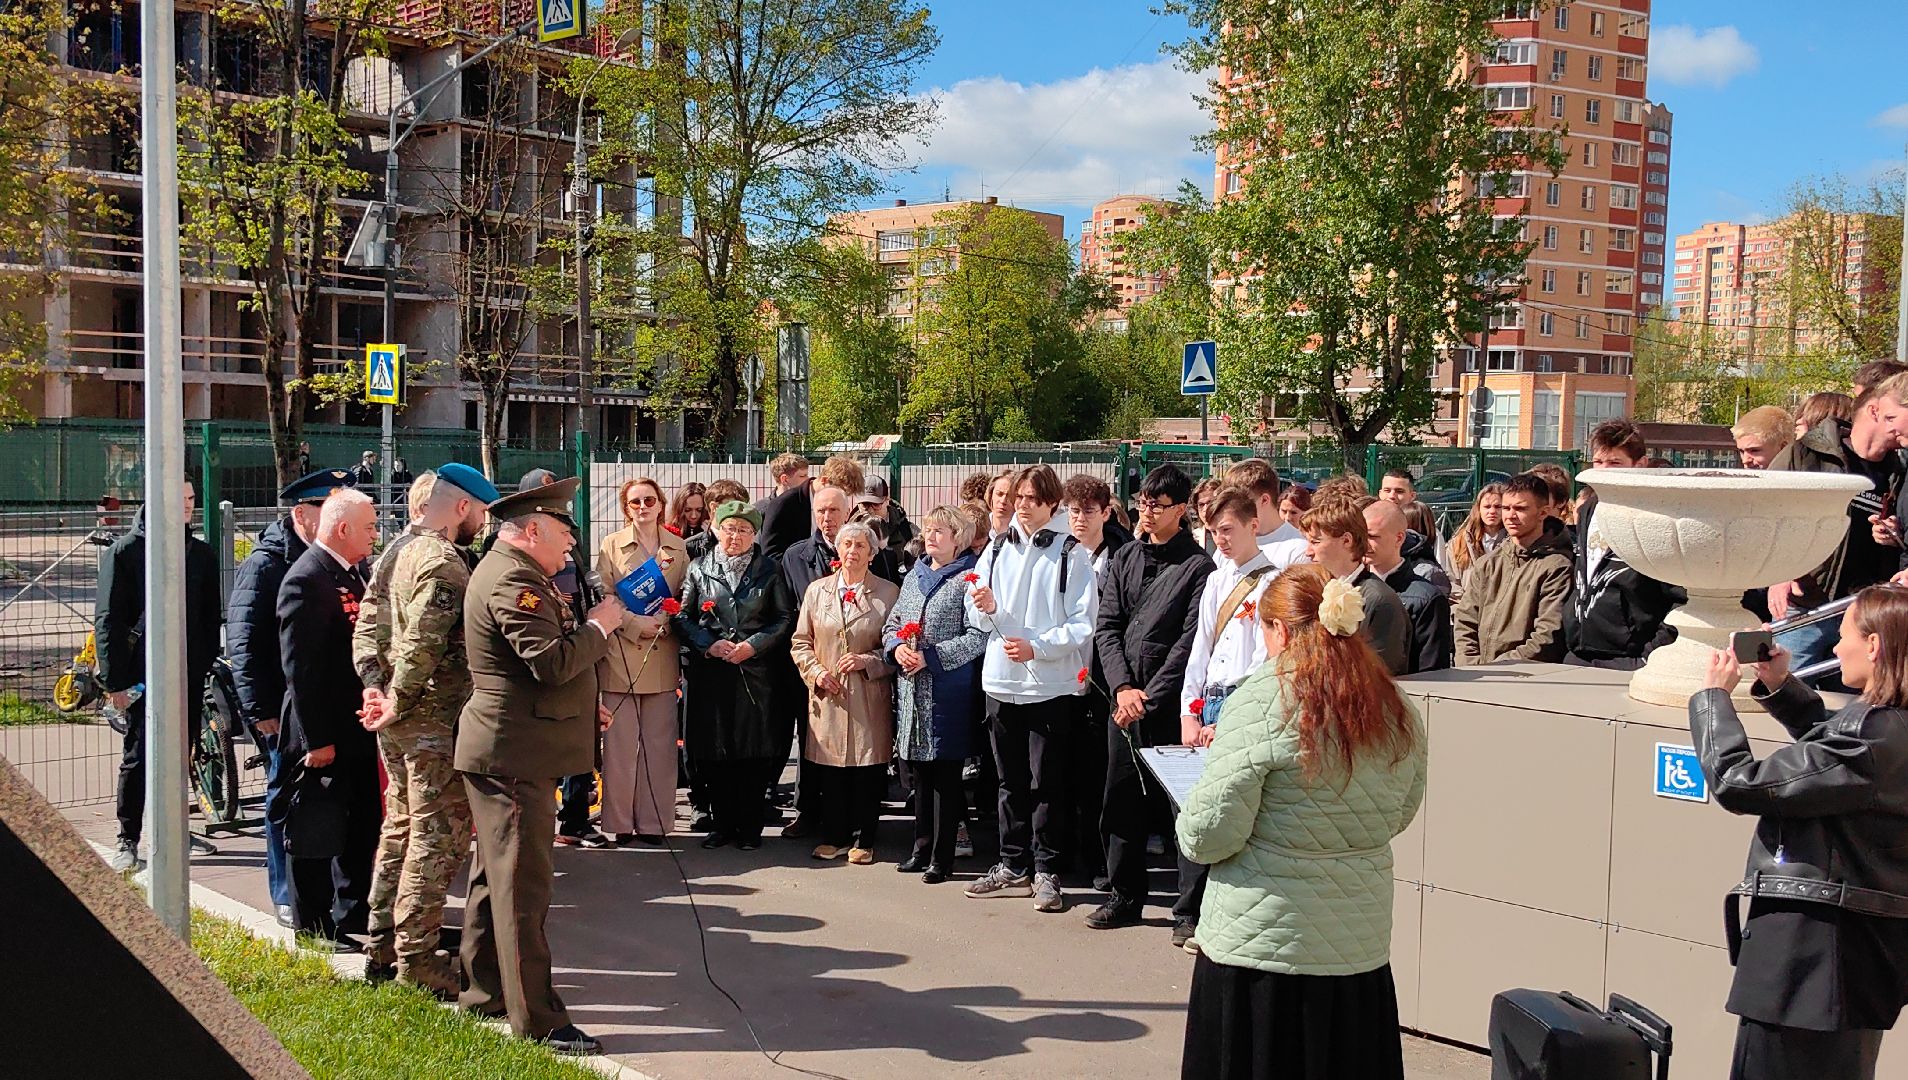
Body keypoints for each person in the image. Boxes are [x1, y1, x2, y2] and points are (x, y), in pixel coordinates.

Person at [1177, 564, 1427, 1080]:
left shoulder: (1264, 697)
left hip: (1262, 941)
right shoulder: (1393, 702)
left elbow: (1209, 831)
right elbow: (1403, 808)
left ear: (1281, 630)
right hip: (1356, 939)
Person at [1691, 586, 1908, 1080]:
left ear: (1874, 646)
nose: (1834, 647)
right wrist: (1781, 685)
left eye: (1844, 634)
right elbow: (1836, 755)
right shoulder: (1886, 732)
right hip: (1852, 961)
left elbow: (1736, 781)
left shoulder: (1871, 740)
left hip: (1812, 963)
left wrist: (1711, 699)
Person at [457, 476, 625, 1056]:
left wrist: (584, 713)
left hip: (515, 746)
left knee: (495, 877)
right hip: (512, 753)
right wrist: (602, 626)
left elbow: (541, 672)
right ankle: (539, 1020)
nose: (569, 549)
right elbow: (551, 663)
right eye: (562, 535)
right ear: (532, 531)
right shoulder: (512, 578)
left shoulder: (520, 572)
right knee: (523, 886)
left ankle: (484, 991)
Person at [357, 463, 497, 997]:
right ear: (462, 507)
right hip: (431, 720)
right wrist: (395, 696)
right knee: (435, 840)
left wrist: (374, 685)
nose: (481, 523)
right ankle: (417, 960)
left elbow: (368, 622)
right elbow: (422, 642)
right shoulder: (442, 561)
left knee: (400, 827)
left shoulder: (396, 549)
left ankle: (382, 944)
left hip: (396, 719)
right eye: (480, 512)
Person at [1086, 465, 1214, 945]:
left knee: (1181, 810)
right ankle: (1124, 894)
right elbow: (1108, 626)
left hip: (1169, 704)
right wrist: (1121, 688)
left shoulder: (1198, 567)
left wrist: (1149, 696)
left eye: (1159, 506)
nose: (1148, 513)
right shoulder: (1124, 557)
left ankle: (1188, 910)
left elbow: (1188, 643)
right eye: (1143, 502)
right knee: (1120, 801)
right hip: (1124, 703)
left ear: (1181, 510)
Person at [965, 464, 1097, 914]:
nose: (1021, 506)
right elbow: (976, 608)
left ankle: (1047, 871)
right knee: (1008, 782)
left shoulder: (1071, 553)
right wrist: (985, 608)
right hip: (1001, 681)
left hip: (1050, 686)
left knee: (1048, 784)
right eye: (1018, 498)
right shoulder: (998, 547)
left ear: (1052, 504)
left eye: (1031, 499)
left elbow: (1083, 624)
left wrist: (1038, 647)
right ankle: (1012, 865)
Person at [228, 469, 356, 922]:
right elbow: (243, 639)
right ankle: (286, 892)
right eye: (326, 507)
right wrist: (260, 709)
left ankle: (328, 895)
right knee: (287, 798)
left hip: (319, 707)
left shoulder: (334, 559)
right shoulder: (268, 562)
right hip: (283, 708)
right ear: (302, 512)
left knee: (322, 803)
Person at [95, 478, 223, 873]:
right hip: (139, 676)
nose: (188, 506)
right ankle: (128, 838)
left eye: (191, 499)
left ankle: (174, 830)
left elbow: (207, 617)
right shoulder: (126, 553)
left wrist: (201, 668)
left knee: (181, 752)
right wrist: (115, 683)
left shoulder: (200, 554)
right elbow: (108, 621)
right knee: (138, 752)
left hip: (186, 674)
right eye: (180, 499)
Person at [275, 488, 381, 946]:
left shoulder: (352, 574)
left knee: (361, 823)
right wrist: (317, 739)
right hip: (322, 731)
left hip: (355, 725)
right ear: (342, 530)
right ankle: (312, 923)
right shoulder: (307, 579)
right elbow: (301, 669)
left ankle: (352, 911)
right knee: (317, 826)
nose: (376, 535)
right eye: (370, 527)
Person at [674, 501, 795, 850]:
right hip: (712, 673)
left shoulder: (769, 570)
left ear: (754, 534)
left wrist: (754, 645)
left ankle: (749, 826)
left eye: (744, 530)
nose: (736, 536)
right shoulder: (699, 569)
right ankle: (721, 824)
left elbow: (784, 618)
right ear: (716, 529)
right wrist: (707, 644)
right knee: (716, 750)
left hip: (754, 673)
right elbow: (683, 617)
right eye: (729, 528)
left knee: (752, 751)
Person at [1766, 382, 1908, 672]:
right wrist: (1779, 574)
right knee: (1785, 686)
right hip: (1808, 601)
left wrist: (1893, 533)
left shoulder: (1899, 470)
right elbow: (1764, 512)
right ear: (1876, 411)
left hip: (1862, 609)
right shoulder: (1808, 453)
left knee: (1850, 701)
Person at [884, 506, 987, 883]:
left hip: (948, 692)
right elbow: (894, 622)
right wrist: (896, 648)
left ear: (958, 538)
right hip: (912, 689)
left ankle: (943, 859)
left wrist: (931, 658)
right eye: (928, 530)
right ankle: (920, 848)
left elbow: (977, 638)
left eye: (941, 530)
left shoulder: (970, 578)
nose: (932, 537)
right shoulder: (915, 575)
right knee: (920, 775)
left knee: (946, 776)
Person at [790, 521, 899, 863]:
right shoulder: (817, 591)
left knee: (867, 766)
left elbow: (895, 648)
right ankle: (834, 835)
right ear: (837, 549)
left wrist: (868, 660)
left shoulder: (887, 592)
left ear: (871, 553)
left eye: (860, 546)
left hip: (868, 694)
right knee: (832, 768)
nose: (853, 551)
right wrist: (817, 673)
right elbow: (800, 642)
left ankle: (864, 838)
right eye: (847, 544)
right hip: (829, 695)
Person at [595, 478, 690, 845]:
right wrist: (636, 624)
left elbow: (685, 594)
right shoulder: (611, 546)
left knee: (660, 747)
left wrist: (665, 621)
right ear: (625, 508)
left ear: (661, 504)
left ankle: (654, 823)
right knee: (619, 750)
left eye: (649, 500)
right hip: (621, 655)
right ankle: (619, 823)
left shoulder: (678, 548)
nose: (643, 507)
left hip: (662, 654)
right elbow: (603, 594)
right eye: (635, 502)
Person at [519, 467, 608, 850]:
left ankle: (575, 819)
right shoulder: (511, 551)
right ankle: (537, 822)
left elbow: (585, 583)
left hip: (578, 643)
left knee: (580, 738)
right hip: (544, 652)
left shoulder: (572, 539)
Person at [1566, 420, 1688, 670]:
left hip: (1630, 656)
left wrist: (1651, 654)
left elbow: (1681, 593)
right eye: (1598, 463)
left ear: (1640, 464)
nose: (1603, 471)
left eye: (1615, 463)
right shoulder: (1589, 508)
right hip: (1579, 649)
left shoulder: (1655, 516)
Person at [1063, 472, 1132, 888]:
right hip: (1064, 674)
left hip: (1105, 677)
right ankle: (1072, 855)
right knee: (1066, 771)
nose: (1080, 519)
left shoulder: (1123, 555)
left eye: (1089, 511)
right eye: (1073, 511)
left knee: (1101, 775)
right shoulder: (1058, 552)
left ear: (1106, 512)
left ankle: (1103, 861)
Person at [1453, 473, 1573, 666]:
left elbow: (1547, 636)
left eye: (1520, 508)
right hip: (1478, 675)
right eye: (1506, 508)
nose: (1510, 515)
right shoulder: (1488, 563)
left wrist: (1496, 670)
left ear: (1543, 513)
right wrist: (1470, 666)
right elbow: (1465, 621)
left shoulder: (1556, 567)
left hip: (1523, 681)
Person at [1298, 496, 1410, 676]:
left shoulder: (1379, 600)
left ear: (1346, 541)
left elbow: (1381, 674)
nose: (1308, 552)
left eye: (1316, 542)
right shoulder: (1313, 590)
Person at [1362, 498, 1453, 673]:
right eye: (1361, 535)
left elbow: (1432, 672)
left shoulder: (1427, 599)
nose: (1365, 543)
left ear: (1399, 538)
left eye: (1373, 536)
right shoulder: (1349, 589)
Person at [1214, 459, 1309, 571]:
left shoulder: (1299, 549)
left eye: (1241, 503)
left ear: (1264, 500)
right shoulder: (1226, 546)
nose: (1231, 510)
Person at [1441, 482, 1506, 603]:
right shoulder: (1458, 543)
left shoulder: (1514, 542)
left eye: (1498, 507)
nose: (1492, 511)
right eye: (1487, 507)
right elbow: (1451, 582)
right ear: (1478, 509)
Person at [855, 476, 918, 575]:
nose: (870, 510)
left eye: (876, 504)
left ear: (887, 500)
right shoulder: (848, 531)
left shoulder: (908, 532)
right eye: (865, 505)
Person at [755, 453, 814, 559]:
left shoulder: (805, 505)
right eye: (802, 476)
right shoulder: (761, 509)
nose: (808, 480)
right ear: (785, 479)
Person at [688, 479, 750, 561]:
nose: (740, 513)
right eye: (733, 508)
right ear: (714, 507)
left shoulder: (750, 545)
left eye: (743, 507)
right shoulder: (689, 548)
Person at [1189, 476, 1222, 553]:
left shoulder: (1237, 537)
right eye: (1201, 505)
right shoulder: (1192, 539)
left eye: (1211, 503)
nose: (1206, 509)